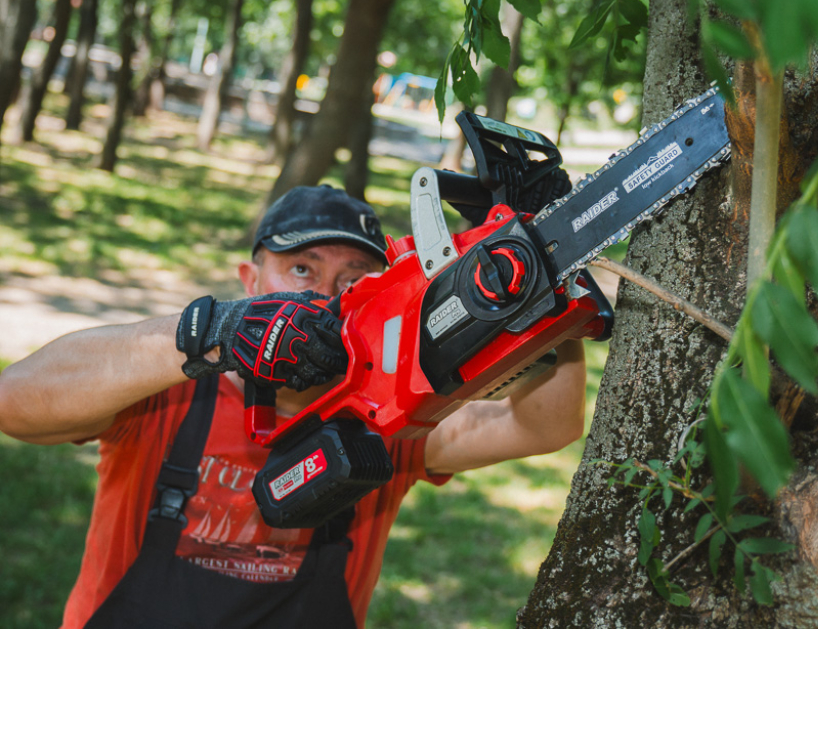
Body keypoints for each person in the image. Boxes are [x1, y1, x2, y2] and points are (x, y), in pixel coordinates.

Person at [0, 185, 586, 628]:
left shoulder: (389, 419)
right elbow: (14, 402)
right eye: (301, 269)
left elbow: (544, 426)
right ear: (251, 279)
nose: (324, 296)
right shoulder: (165, 392)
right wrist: (213, 333)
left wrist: (545, 282)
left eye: (353, 280)